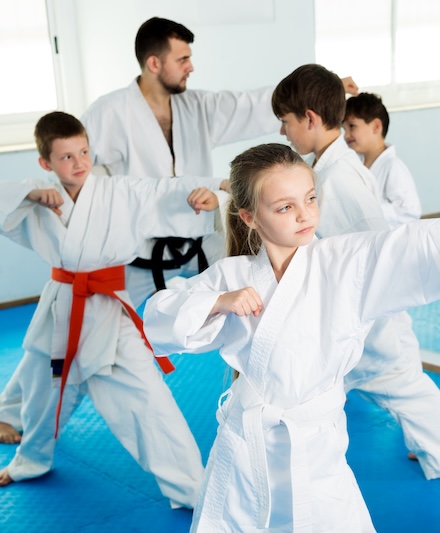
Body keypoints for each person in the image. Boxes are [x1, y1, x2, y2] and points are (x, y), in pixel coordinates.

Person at [0, 15, 359, 447]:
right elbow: (67, 162)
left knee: (249, 291)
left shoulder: (197, 106)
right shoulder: (109, 113)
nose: (191, 66)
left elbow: (246, 103)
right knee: (69, 328)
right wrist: (42, 195)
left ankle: (279, 377)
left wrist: (320, 90)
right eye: (183, 58)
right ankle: (15, 411)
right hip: (135, 249)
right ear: (154, 63)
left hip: (196, 236)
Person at [142, 142, 440, 531]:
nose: (304, 215)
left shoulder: (344, 261)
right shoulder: (232, 276)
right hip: (245, 454)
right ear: (249, 217)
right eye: (285, 207)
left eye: (310, 198)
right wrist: (219, 302)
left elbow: (406, 245)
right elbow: (160, 314)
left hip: (316, 454)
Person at [0, 111, 229, 508]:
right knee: (43, 394)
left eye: (84, 151)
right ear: (46, 163)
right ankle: (29, 461)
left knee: (150, 402)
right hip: (61, 312)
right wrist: (28, 194)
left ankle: (194, 488)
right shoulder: (39, 196)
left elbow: (161, 190)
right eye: (66, 157)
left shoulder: (117, 191)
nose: (79, 163)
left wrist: (213, 190)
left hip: (108, 313)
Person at [272, 64, 440, 479]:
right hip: (360, 305)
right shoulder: (333, 169)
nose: (283, 132)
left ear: (310, 119)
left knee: (398, 379)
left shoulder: (336, 178)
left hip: (369, 304)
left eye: (286, 122)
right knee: (392, 381)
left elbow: (365, 250)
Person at [343, 92, 422, 228]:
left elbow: (410, 211)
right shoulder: (355, 163)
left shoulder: (393, 166)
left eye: (352, 126)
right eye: (343, 129)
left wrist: (367, 209)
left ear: (376, 126)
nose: (346, 135)